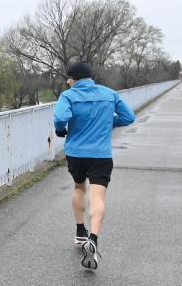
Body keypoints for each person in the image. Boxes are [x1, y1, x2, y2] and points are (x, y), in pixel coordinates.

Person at [53, 61, 136, 270]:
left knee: (79, 187)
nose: (68, 82)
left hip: (76, 153)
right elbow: (129, 117)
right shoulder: (109, 93)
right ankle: (93, 238)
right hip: (101, 154)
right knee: (98, 196)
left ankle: (80, 232)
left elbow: (61, 117)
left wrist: (61, 130)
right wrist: (111, 122)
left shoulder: (68, 95)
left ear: (73, 79)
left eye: (68, 79)